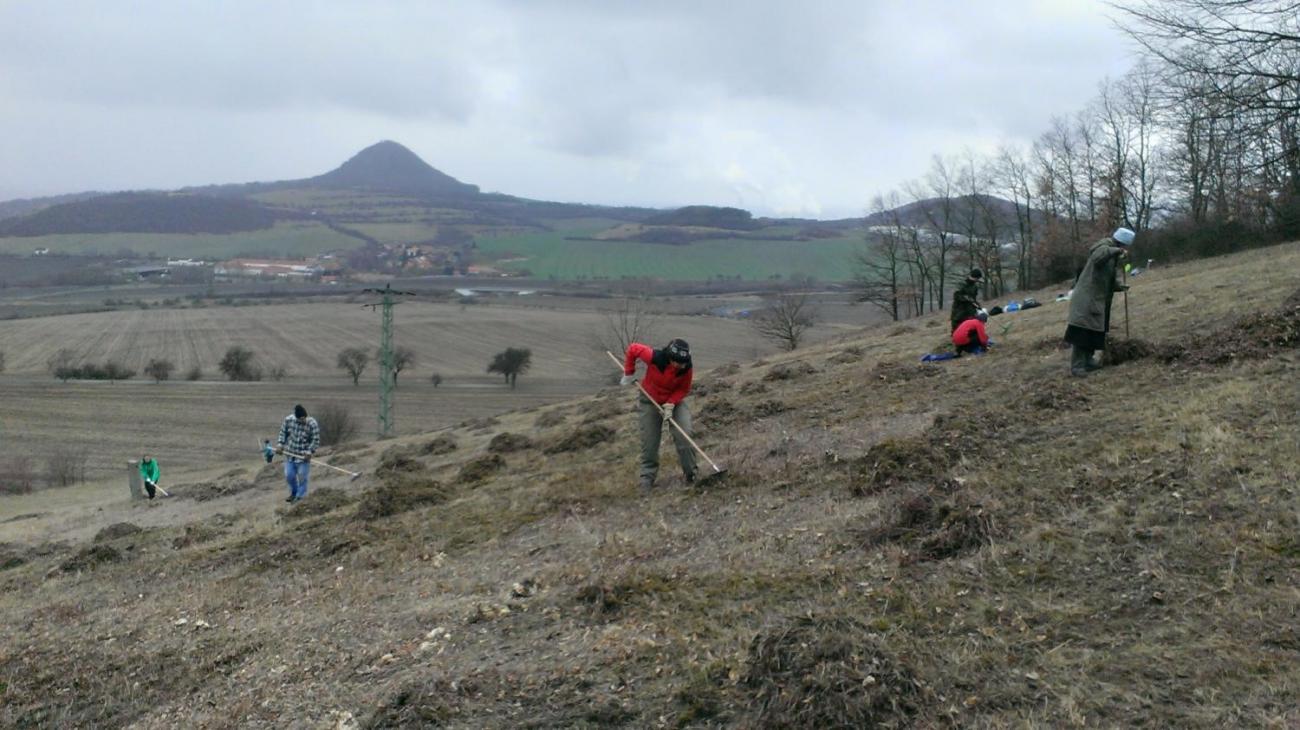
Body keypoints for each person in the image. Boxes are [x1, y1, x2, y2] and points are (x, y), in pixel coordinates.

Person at [621, 339, 697, 494]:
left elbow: (684, 389)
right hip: (649, 401)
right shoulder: (655, 357)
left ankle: (691, 474)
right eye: (676, 362)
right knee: (650, 441)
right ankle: (647, 479)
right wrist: (629, 372)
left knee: (685, 434)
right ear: (669, 357)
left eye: (682, 363)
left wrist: (671, 403)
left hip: (674, 403)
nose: (678, 366)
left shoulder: (686, 368)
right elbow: (633, 349)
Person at [1064, 227, 1134, 377]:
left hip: (1097, 299)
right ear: (1121, 243)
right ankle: (1077, 366)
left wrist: (1119, 286)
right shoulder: (1103, 247)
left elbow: (1107, 277)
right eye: (1125, 246)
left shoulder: (1112, 256)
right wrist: (1116, 251)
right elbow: (1097, 258)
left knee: (1094, 331)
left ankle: (1088, 360)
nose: (1125, 249)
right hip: (1087, 298)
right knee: (1082, 331)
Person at [276, 404, 320, 503]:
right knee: (289, 476)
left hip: (304, 457)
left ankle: (300, 497)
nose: (303, 421)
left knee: (302, 476)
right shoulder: (289, 420)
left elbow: (315, 440)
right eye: (301, 419)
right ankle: (294, 493)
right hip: (291, 454)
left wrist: (309, 452)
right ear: (296, 417)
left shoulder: (312, 424)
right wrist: (280, 445)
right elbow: (283, 433)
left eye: (304, 418)